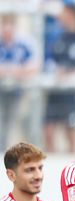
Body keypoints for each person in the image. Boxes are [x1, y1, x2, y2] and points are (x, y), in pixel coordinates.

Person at [44, 4, 75, 153]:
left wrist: (73, 72)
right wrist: (56, 71)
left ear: (72, 14)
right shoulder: (56, 36)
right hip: (55, 88)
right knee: (48, 127)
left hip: (73, 91)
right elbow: (48, 59)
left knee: (70, 128)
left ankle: (71, 166)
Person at [0, 15, 40, 149]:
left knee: (20, 122)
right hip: (1, 91)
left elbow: (35, 65)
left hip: (21, 91)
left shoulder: (24, 43)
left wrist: (16, 71)